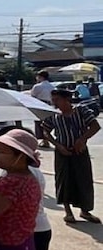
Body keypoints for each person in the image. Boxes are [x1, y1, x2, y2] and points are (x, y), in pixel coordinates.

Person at [41, 88, 101, 223]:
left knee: (84, 180)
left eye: (57, 100)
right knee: (64, 180)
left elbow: (95, 126)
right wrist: (58, 145)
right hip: (62, 152)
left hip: (80, 151)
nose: (55, 103)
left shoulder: (81, 111)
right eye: (53, 100)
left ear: (66, 99)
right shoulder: (53, 114)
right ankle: (68, 212)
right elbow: (46, 131)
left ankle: (85, 211)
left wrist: (82, 139)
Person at [31, 71, 55, 147]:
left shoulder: (37, 86)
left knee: (39, 123)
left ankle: (43, 139)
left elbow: (33, 96)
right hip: (49, 105)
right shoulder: (52, 86)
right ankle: (46, 140)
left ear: (40, 77)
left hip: (39, 104)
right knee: (47, 123)